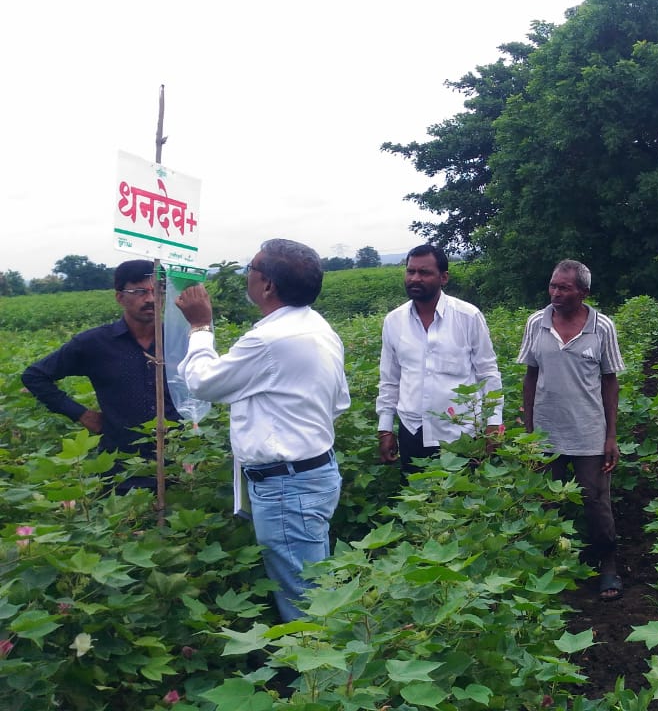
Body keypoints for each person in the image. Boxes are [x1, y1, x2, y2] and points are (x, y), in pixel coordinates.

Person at [174, 239, 350, 622]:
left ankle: (317, 659)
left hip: (287, 486)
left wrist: (200, 326)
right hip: (312, 474)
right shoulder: (319, 328)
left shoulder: (269, 340)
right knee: (316, 585)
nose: (246, 276)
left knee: (305, 602)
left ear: (268, 284)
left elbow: (203, 382)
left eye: (250, 269)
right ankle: (328, 651)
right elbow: (338, 403)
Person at [22, 259, 180, 493]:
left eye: (158, 290)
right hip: (121, 467)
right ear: (119, 297)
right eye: (139, 292)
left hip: (178, 461)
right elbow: (35, 376)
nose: (150, 299)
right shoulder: (95, 343)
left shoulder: (178, 340)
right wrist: (82, 414)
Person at [517, 260, 625, 600]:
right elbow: (530, 376)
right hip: (546, 433)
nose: (556, 293)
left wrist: (611, 436)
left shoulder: (602, 327)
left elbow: (610, 382)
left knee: (595, 500)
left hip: (588, 432)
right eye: (553, 286)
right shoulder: (536, 322)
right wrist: (529, 431)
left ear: (583, 292)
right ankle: (550, 567)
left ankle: (607, 566)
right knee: (545, 502)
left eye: (564, 288)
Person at [376, 244, 502, 471]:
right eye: (410, 271)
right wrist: (385, 428)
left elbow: (488, 372)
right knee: (415, 491)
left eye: (424, 272)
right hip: (412, 431)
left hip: (461, 435)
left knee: (463, 492)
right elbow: (390, 379)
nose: (415, 278)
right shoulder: (394, 321)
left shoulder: (468, 316)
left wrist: (493, 422)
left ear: (444, 277)